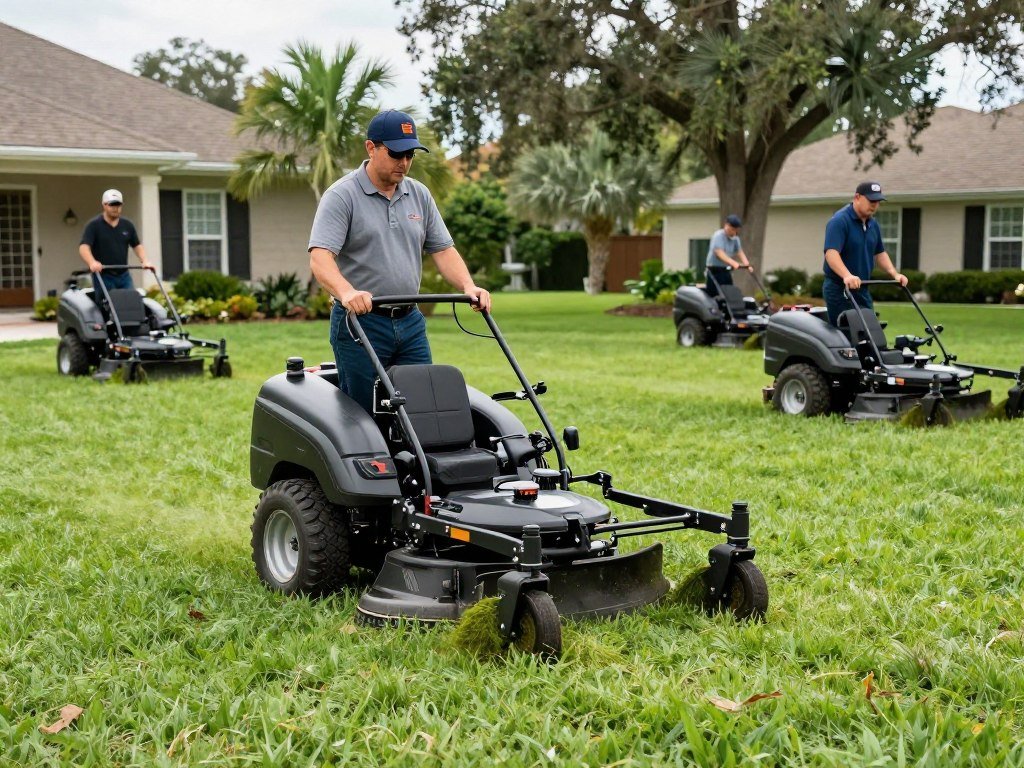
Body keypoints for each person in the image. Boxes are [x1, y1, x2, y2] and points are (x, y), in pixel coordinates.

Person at [308, 109, 491, 412]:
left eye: (410, 155)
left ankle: (415, 460)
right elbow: (320, 257)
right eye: (396, 154)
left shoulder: (418, 194)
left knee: (422, 406)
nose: (404, 162)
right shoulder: (342, 196)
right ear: (371, 148)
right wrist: (347, 292)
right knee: (365, 413)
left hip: (410, 322)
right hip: (360, 325)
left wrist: (468, 286)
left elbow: (443, 250)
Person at [822, 181, 908, 326]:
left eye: (878, 201)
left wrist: (895, 274)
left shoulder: (873, 224)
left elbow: (880, 253)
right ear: (857, 197)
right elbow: (831, 253)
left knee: (870, 334)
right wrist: (847, 276)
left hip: (862, 289)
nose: (874, 205)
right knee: (848, 335)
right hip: (840, 290)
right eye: (871, 200)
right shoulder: (839, 221)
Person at [79, 189, 152, 294]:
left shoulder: (127, 225)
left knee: (130, 301)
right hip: (103, 275)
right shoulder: (94, 225)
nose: (115, 208)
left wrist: (145, 261)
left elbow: (137, 245)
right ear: (104, 205)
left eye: (118, 205)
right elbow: (84, 247)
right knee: (108, 306)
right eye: (112, 205)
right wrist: (92, 262)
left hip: (124, 275)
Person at [705, 214, 751, 297]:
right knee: (714, 295)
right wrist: (733, 263)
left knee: (729, 293)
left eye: (736, 230)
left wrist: (747, 265)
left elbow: (739, 251)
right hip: (714, 270)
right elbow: (719, 253)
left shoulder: (735, 239)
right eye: (732, 229)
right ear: (726, 225)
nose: (734, 232)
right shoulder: (718, 236)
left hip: (725, 270)